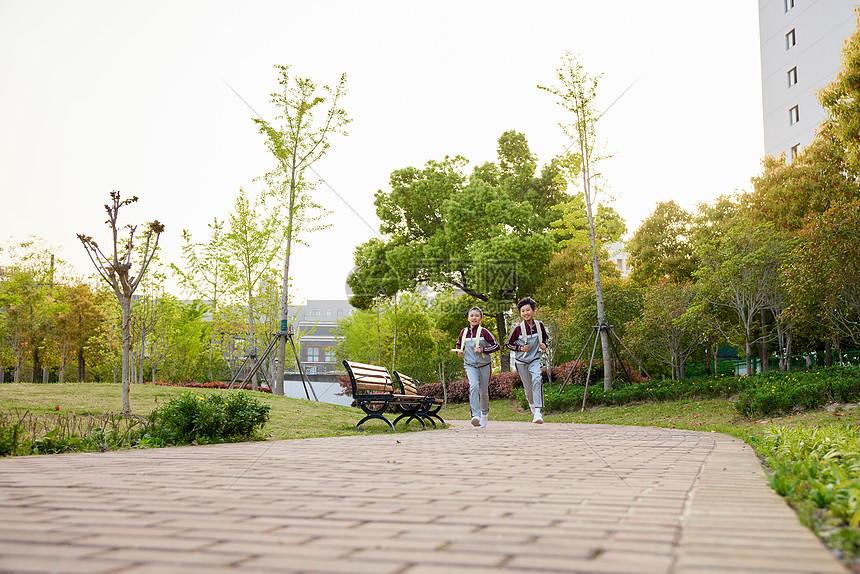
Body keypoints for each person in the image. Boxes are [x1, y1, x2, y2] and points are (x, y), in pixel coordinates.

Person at [506, 297, 550, 424]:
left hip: (535, 359)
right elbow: (508, 344)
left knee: (537, 379)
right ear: (520, 313)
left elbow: (546, 339)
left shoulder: (539, 325)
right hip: (521, 362)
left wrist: (544, 345)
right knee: (528, 389)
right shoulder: (517, 329)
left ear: (534, 311)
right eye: (523, 311)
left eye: (528, 310)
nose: (525, 313)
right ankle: (532, 404)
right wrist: (519, 348)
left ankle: (538, 412)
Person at [455, 306, 500, 428]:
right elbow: (459, 345)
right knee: (473, 386)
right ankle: (475, 415)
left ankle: (484, 414)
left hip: (484, 365)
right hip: (470, 365)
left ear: (481, 319)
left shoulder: (484, 332)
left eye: (477, 316)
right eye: (472, 315)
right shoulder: (463, 332)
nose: (474, 317)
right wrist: (459, 351)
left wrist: (483, 350)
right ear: (468, 318)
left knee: (483, 391)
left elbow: (496, 346)